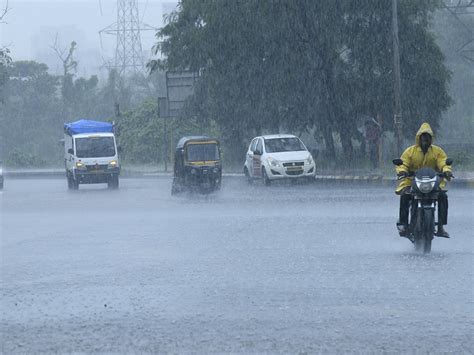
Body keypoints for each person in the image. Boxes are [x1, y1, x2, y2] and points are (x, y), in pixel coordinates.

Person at [395, 122, 452, 238]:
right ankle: (404, 224)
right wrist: (402, 171)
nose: (425, 140)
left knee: (443, 197)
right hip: (411, 182)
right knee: (405, 196)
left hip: (432, 183)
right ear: (419, 138)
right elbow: (403, 163)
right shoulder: (410, 151)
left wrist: (446, 170)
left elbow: (443, 162)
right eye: (423, 137)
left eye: (427, 138)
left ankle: (440, 227)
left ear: (431, 139)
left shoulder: (437, 151)